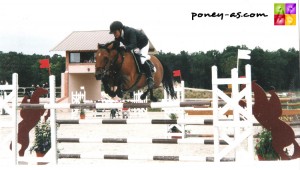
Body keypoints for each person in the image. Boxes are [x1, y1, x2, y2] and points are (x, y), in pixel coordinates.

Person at [109, 21, 154, 89]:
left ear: (120, 29)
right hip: (135, 45)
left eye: (115, 32)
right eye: (113, 33)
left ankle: (150, 78)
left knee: (142, 59)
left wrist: (125, 47)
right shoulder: (118, 36)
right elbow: (116, 44)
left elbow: (133, 44)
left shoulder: (129, 31)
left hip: (143, 44)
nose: (114, 35)